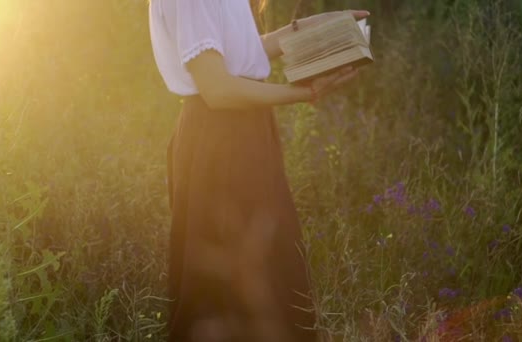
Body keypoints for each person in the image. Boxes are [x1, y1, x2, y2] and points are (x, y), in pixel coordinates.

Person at [148, 1, 369, 341]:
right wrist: (303, 94)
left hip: (244, 131)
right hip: (220, 140)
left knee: (268, 268)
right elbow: (218, 90)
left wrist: (315, 28)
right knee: (228, 285)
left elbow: (243, 54)